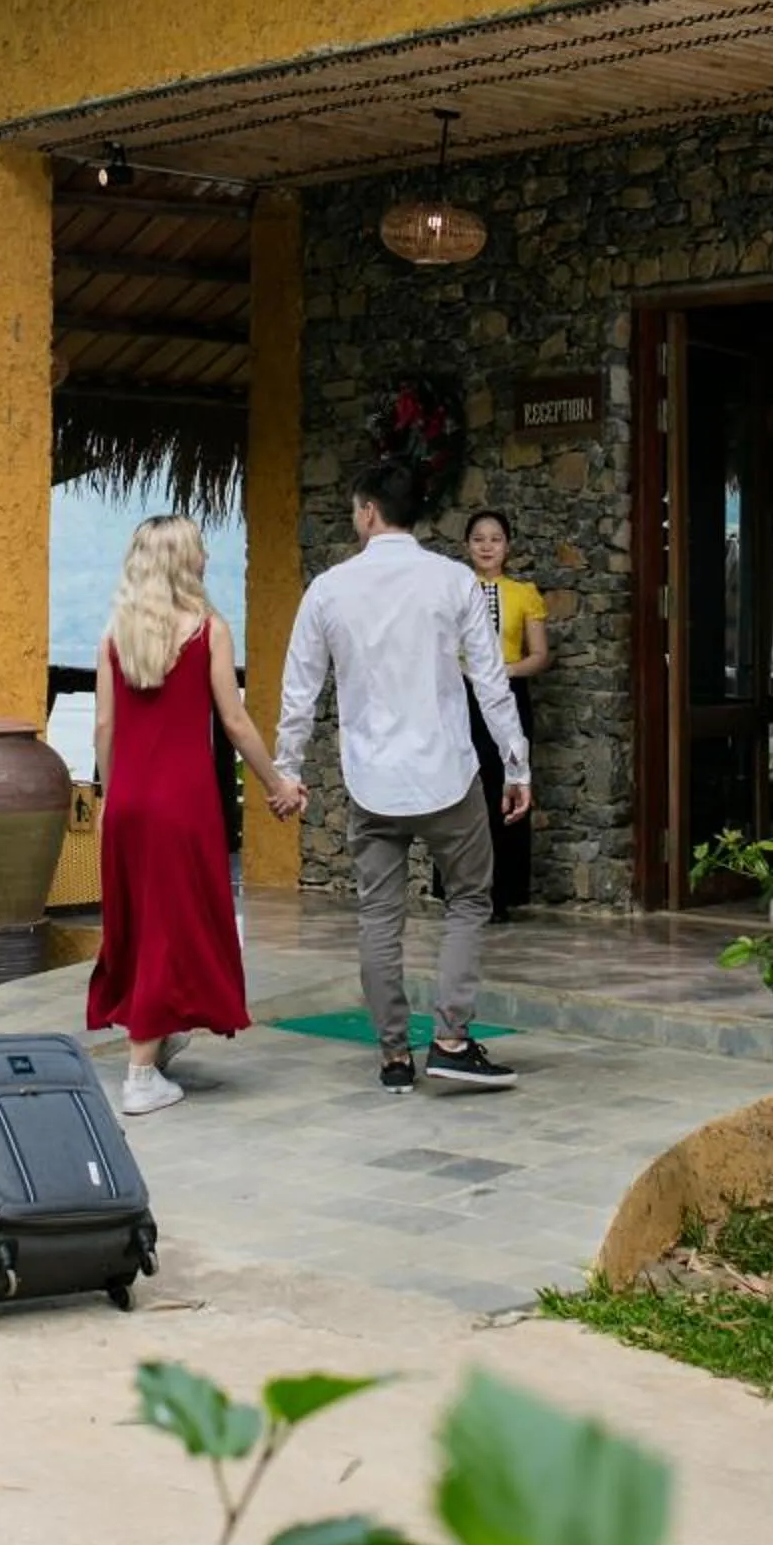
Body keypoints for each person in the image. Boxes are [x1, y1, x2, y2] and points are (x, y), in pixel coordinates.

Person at [273, 458, 530, 1095]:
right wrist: (516, 763)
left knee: (378, 918)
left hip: (372, 783)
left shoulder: (329, 589)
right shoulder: (454, 582)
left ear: (367, 511)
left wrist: (287, 770)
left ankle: (394, 1057)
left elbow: (299, 691)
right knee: (470, 900)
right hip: (448, 774)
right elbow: (491, 683)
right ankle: (450, 1039)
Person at [88, 515, 293, 1118]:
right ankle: (141, 1074)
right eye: (199, 550)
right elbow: (233, 720)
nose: (206, 558)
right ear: (182, 561)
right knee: (172, 926)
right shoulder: (208, 631)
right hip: (182, 803)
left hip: (127, 801)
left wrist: (108, 797)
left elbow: (104, 726)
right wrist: (276, 783)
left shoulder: (114, 635)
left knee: (143, 925)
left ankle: (161, 1031)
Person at [462, 508, 551, 922]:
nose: (486, 546)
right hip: (461, 698)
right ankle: (461, 891)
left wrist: (503, 672)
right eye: (479, 538)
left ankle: (503, 893)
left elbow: (539, 656)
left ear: (507, 546)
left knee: (507, 786)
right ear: (468, 545)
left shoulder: (523, 593)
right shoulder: (455, 590)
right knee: (463, 787)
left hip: (509, 695)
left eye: (495, 538)